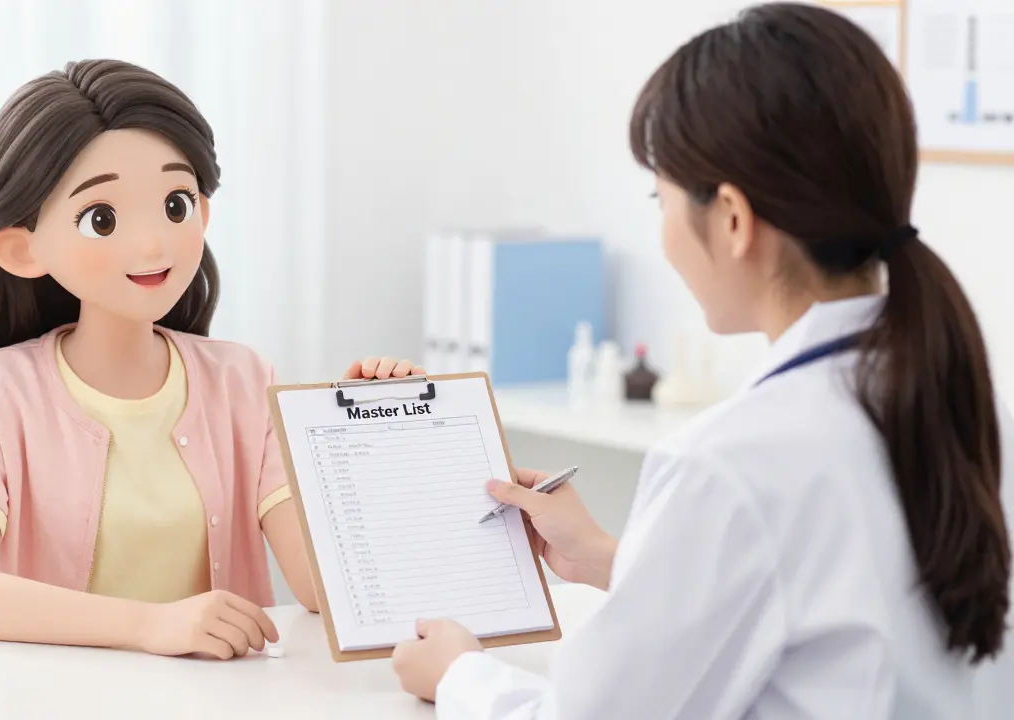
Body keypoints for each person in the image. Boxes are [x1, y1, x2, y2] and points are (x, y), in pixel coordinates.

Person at [390, 4, 1014, 717]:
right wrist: (605, 557)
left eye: (660, 198)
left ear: (733, 219)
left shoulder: (732, 461)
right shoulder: (962, 400)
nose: (661, 231)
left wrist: (460, 675)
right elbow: (817, 612)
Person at [0, 59, 421, 661]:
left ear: (202, 214)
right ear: (23, 249)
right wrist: (149, 626)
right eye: (101, 217)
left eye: (175, 204)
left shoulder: (242, 380)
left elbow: (323, 588)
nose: (153, 243)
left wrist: (363, 444)